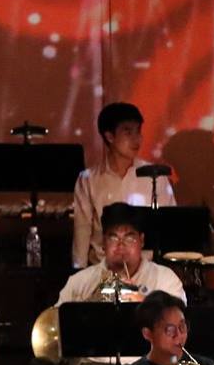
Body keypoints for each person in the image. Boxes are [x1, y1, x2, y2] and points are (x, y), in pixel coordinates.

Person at [72, 101, 174, 267]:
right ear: (110, 136)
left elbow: (171, 229)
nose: (136, 139)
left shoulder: (155, 176)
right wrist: (79, 273)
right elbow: (82, 231)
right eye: (128, 132)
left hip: (146, 270)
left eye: (138, 131)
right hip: (103, 270)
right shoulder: (88, 179)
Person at [59, 202, 187, 305]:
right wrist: (92, 302)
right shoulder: (78, 282)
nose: (121, 245)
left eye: (129, 238)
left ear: (141, 241)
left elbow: (177, 321)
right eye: (113, 237)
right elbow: (55, 320)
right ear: (103, 242)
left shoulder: (165, 279)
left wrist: (142, 303)